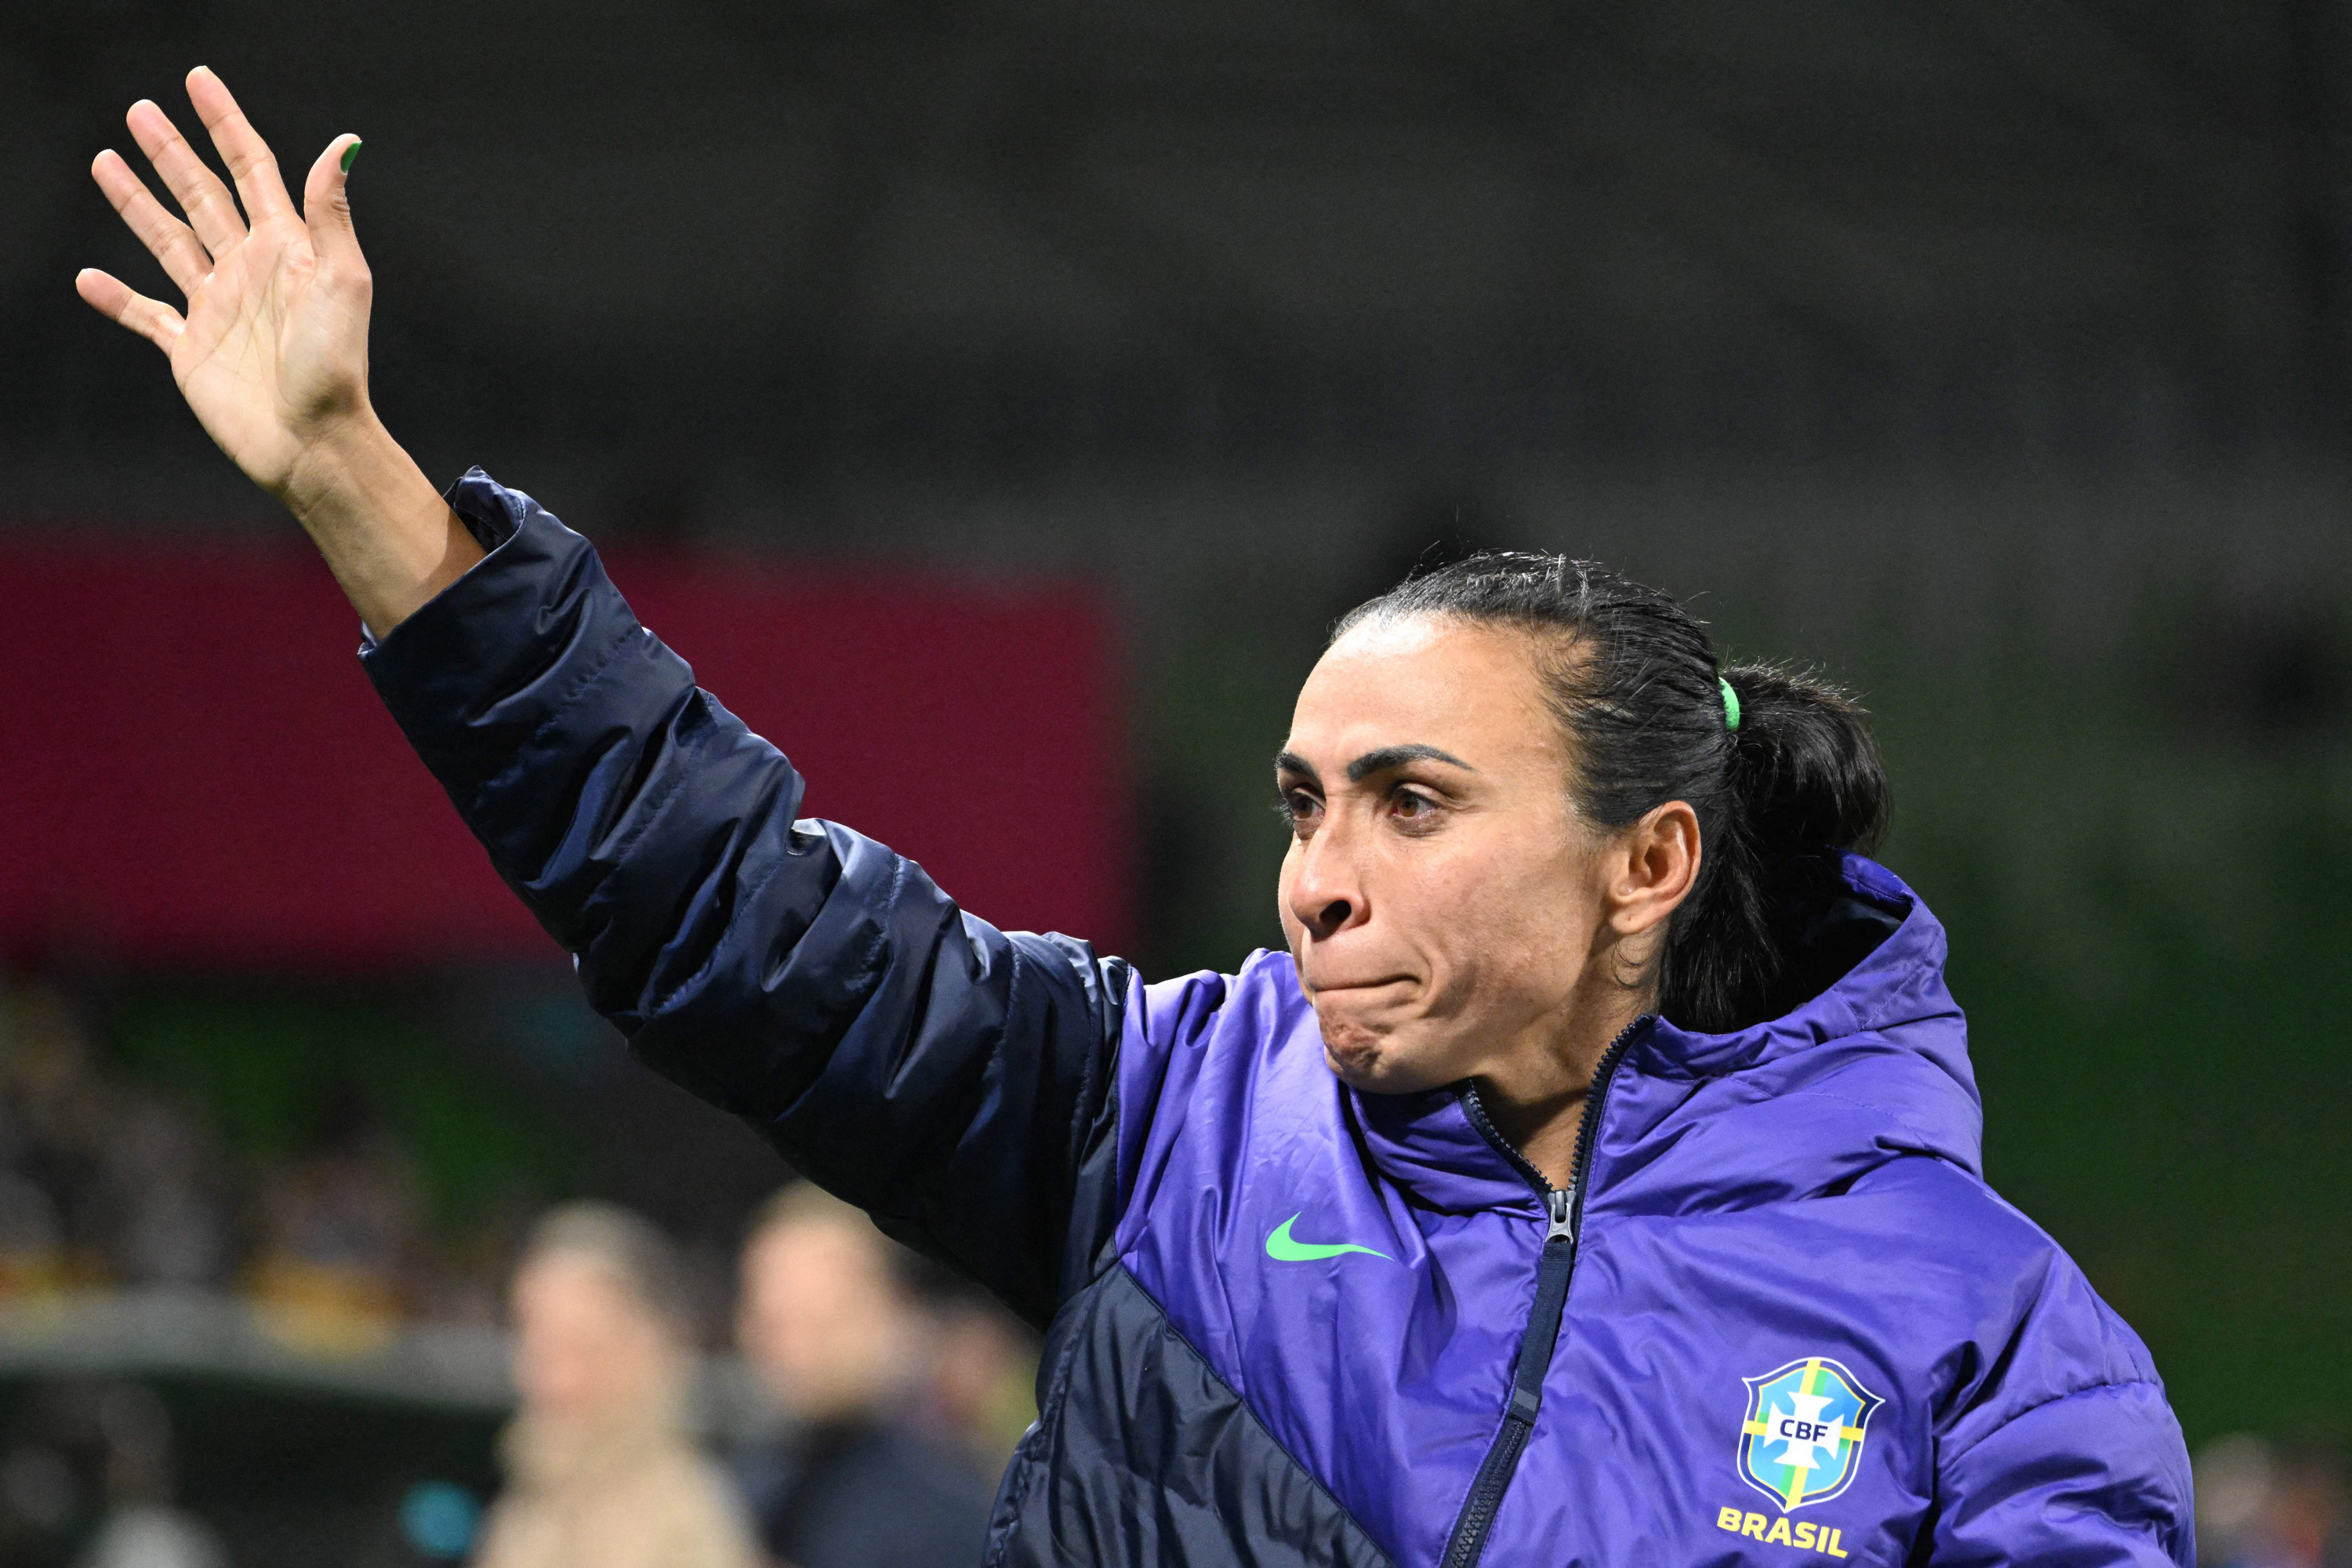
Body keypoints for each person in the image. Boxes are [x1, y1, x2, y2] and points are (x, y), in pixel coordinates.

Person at [76, 70, 2194, 1566]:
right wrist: (356, 479)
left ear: (1650, 859)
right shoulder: (1166, 1118)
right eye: (1300, 803)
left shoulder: (1983, 1328)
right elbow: (722, 902)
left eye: (1413, 800)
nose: (1320, 875)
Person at [472, 1203, 758, 1568]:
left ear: (645, 1351)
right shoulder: (529, 1506)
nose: (543, 1380)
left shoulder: (681, 1519)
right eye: (534, 1345)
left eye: (578, 1349)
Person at [731, 1185, 996, 1567]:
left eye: (825, 1319)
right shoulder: (737, 1487)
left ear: (891, 1311)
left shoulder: (950, 1507)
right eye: (775, 1320)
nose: (795, 1348)